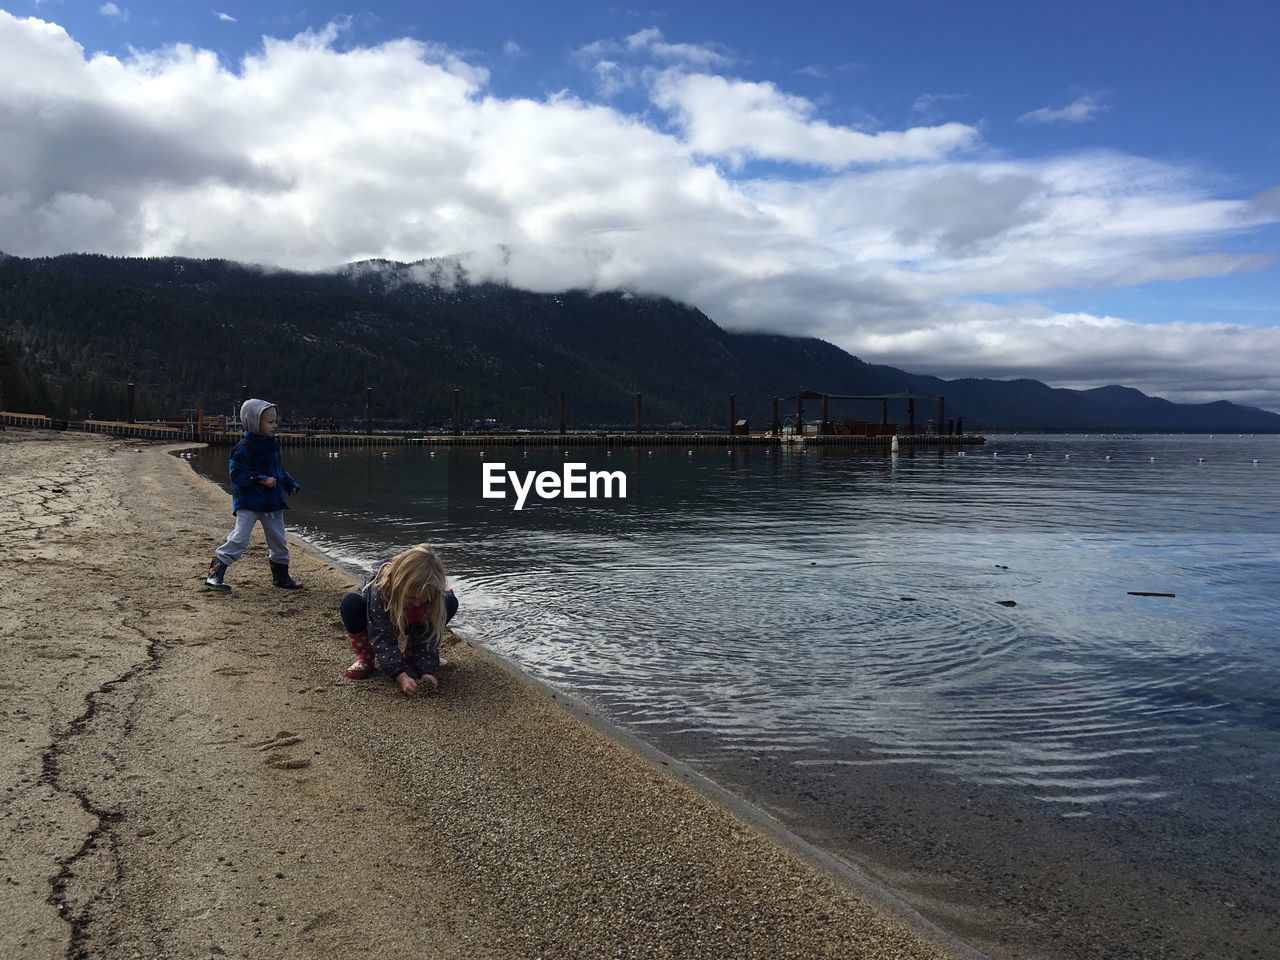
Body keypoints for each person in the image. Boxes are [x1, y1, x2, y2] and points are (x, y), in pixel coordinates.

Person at [204, 398, 302, 591]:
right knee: (239, 538)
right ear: (254, 422)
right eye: (270, 422)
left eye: (275, 421)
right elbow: (237, 475)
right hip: (248, 503)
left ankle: (281, 577)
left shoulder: (272, 444)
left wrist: (290, 483)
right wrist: (260, 479)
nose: (275, 425)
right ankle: (215, 574)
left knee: (278, 540)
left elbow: (278, 470)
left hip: (272, 502)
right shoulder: (242, 448)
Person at [340, 544, 458, 696]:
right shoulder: (381, 588)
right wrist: (400, 675)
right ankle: (365, 656)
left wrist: (426, 671)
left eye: (422, 600)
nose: (416, 604)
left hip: (412, 621)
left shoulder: (431, 597)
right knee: (351, 603)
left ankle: (413, 656)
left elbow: (428, 637)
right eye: (411, 598)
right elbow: (382, 637)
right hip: (376, 619)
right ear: (398, 585)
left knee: (449, 601)